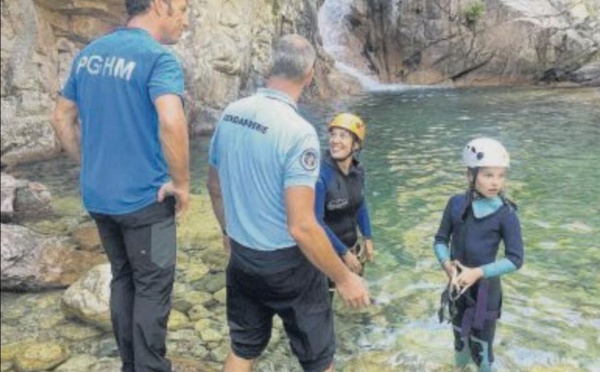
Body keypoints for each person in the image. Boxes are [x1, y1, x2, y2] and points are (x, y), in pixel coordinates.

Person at [207, 34, 370, 372]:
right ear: (309, 75)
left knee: (243, 349)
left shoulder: (231, 114)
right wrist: (343, 278)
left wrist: (227, 230)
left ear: (269, 66)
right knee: (318, 360)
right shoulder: (298, 132)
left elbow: (214, 184)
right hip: (289, 268)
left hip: (242, 259)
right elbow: (302, 225)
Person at [51, 0, 190, 370]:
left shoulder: (89, 55)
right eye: (182, 8)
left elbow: (62, 117)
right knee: (152, 286)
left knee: (123, 278)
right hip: (148, 202)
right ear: (159, 5)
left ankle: (131, 364)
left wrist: (88, 164)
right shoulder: (158, 58)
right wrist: (182, 184)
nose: (185, 19)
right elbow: (172, 122)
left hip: (100, 200)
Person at [433, 137, 524, 372]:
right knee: (460, 344)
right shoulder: (455, 204)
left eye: (501, 175)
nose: (496, 182)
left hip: (486, 291)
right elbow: (440, 240)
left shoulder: (506, 214)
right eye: (488, 175)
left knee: (482, 352)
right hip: (457, 287)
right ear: (470, 175)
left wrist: (477, 272)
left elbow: (516, 259)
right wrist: (447, 266)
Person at [315, 113, 375, 296]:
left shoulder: (358, 171)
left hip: (351, 249)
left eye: (343, 135)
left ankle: (361, 323)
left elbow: (360, 203)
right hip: (327, 256)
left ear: (356, 144)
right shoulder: (320, 177)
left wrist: (367, 237)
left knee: (359, 298)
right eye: (333, 135)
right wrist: (343, 253)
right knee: (326, 306)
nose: (335, 140)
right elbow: (316, 222)